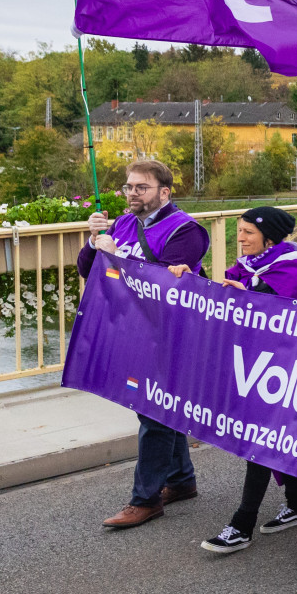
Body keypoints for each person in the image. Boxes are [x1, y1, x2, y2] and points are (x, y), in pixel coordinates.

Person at [193, 206, 297, 554]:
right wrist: (189, 277)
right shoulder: (247, 269)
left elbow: (286, 311)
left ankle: (242, 524)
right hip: (257, 366)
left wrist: (248, 295)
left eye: (247, 233)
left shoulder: (293, 270)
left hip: (290, 370)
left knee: (261, 440)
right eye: (238, 232)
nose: (239, 239)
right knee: (271, 437)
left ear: (269, 237)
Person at [86, 159, 213, 530]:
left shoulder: (187, 230)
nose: (131, 194)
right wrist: (94, 242)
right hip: (134, 329)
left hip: (174, 331)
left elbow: (163, 286)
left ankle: (145, 500)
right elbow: (87, 270)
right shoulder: (122, 223)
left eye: (140, 187)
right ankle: (181, 479)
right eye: (128, 187)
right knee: (158, 407)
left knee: (153, 408)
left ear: (164, 192)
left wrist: (113, 255)